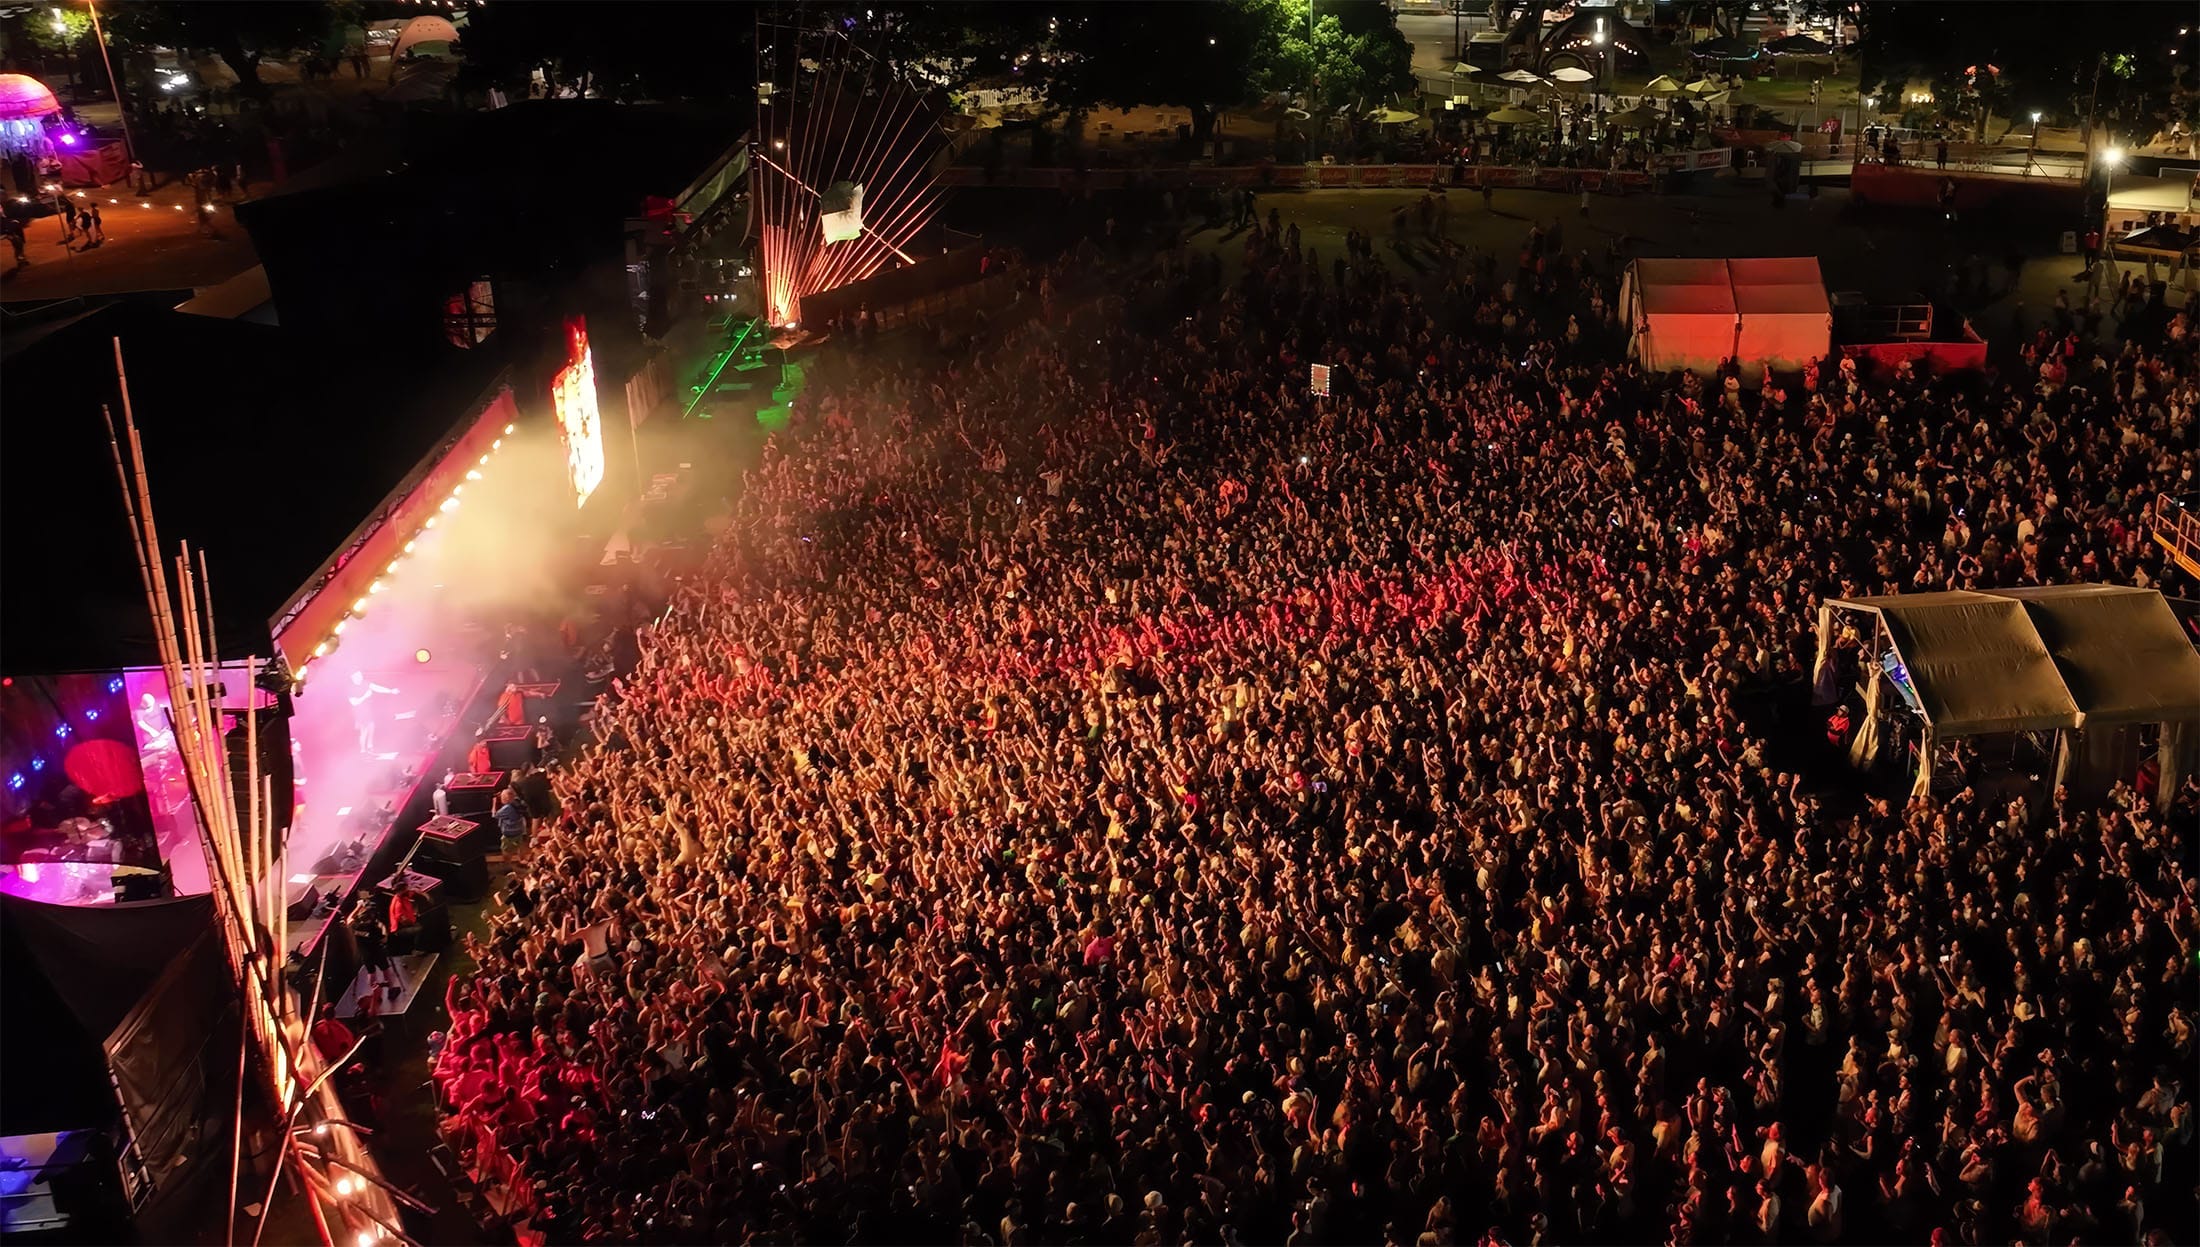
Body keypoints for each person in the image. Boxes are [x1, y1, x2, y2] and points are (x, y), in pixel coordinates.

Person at [348, 670, 399, 753]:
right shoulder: (351, 689)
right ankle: (363, 750)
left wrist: (390, 691)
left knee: (371, 726)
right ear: (353, 678)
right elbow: (354, 703)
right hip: (359, 711)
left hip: (367, 709)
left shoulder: (365, 683)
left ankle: (370, 745)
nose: (361, 677)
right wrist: (365, 696)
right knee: (364, 731)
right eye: (358, 675)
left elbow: (377, 688)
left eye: (361, 675)